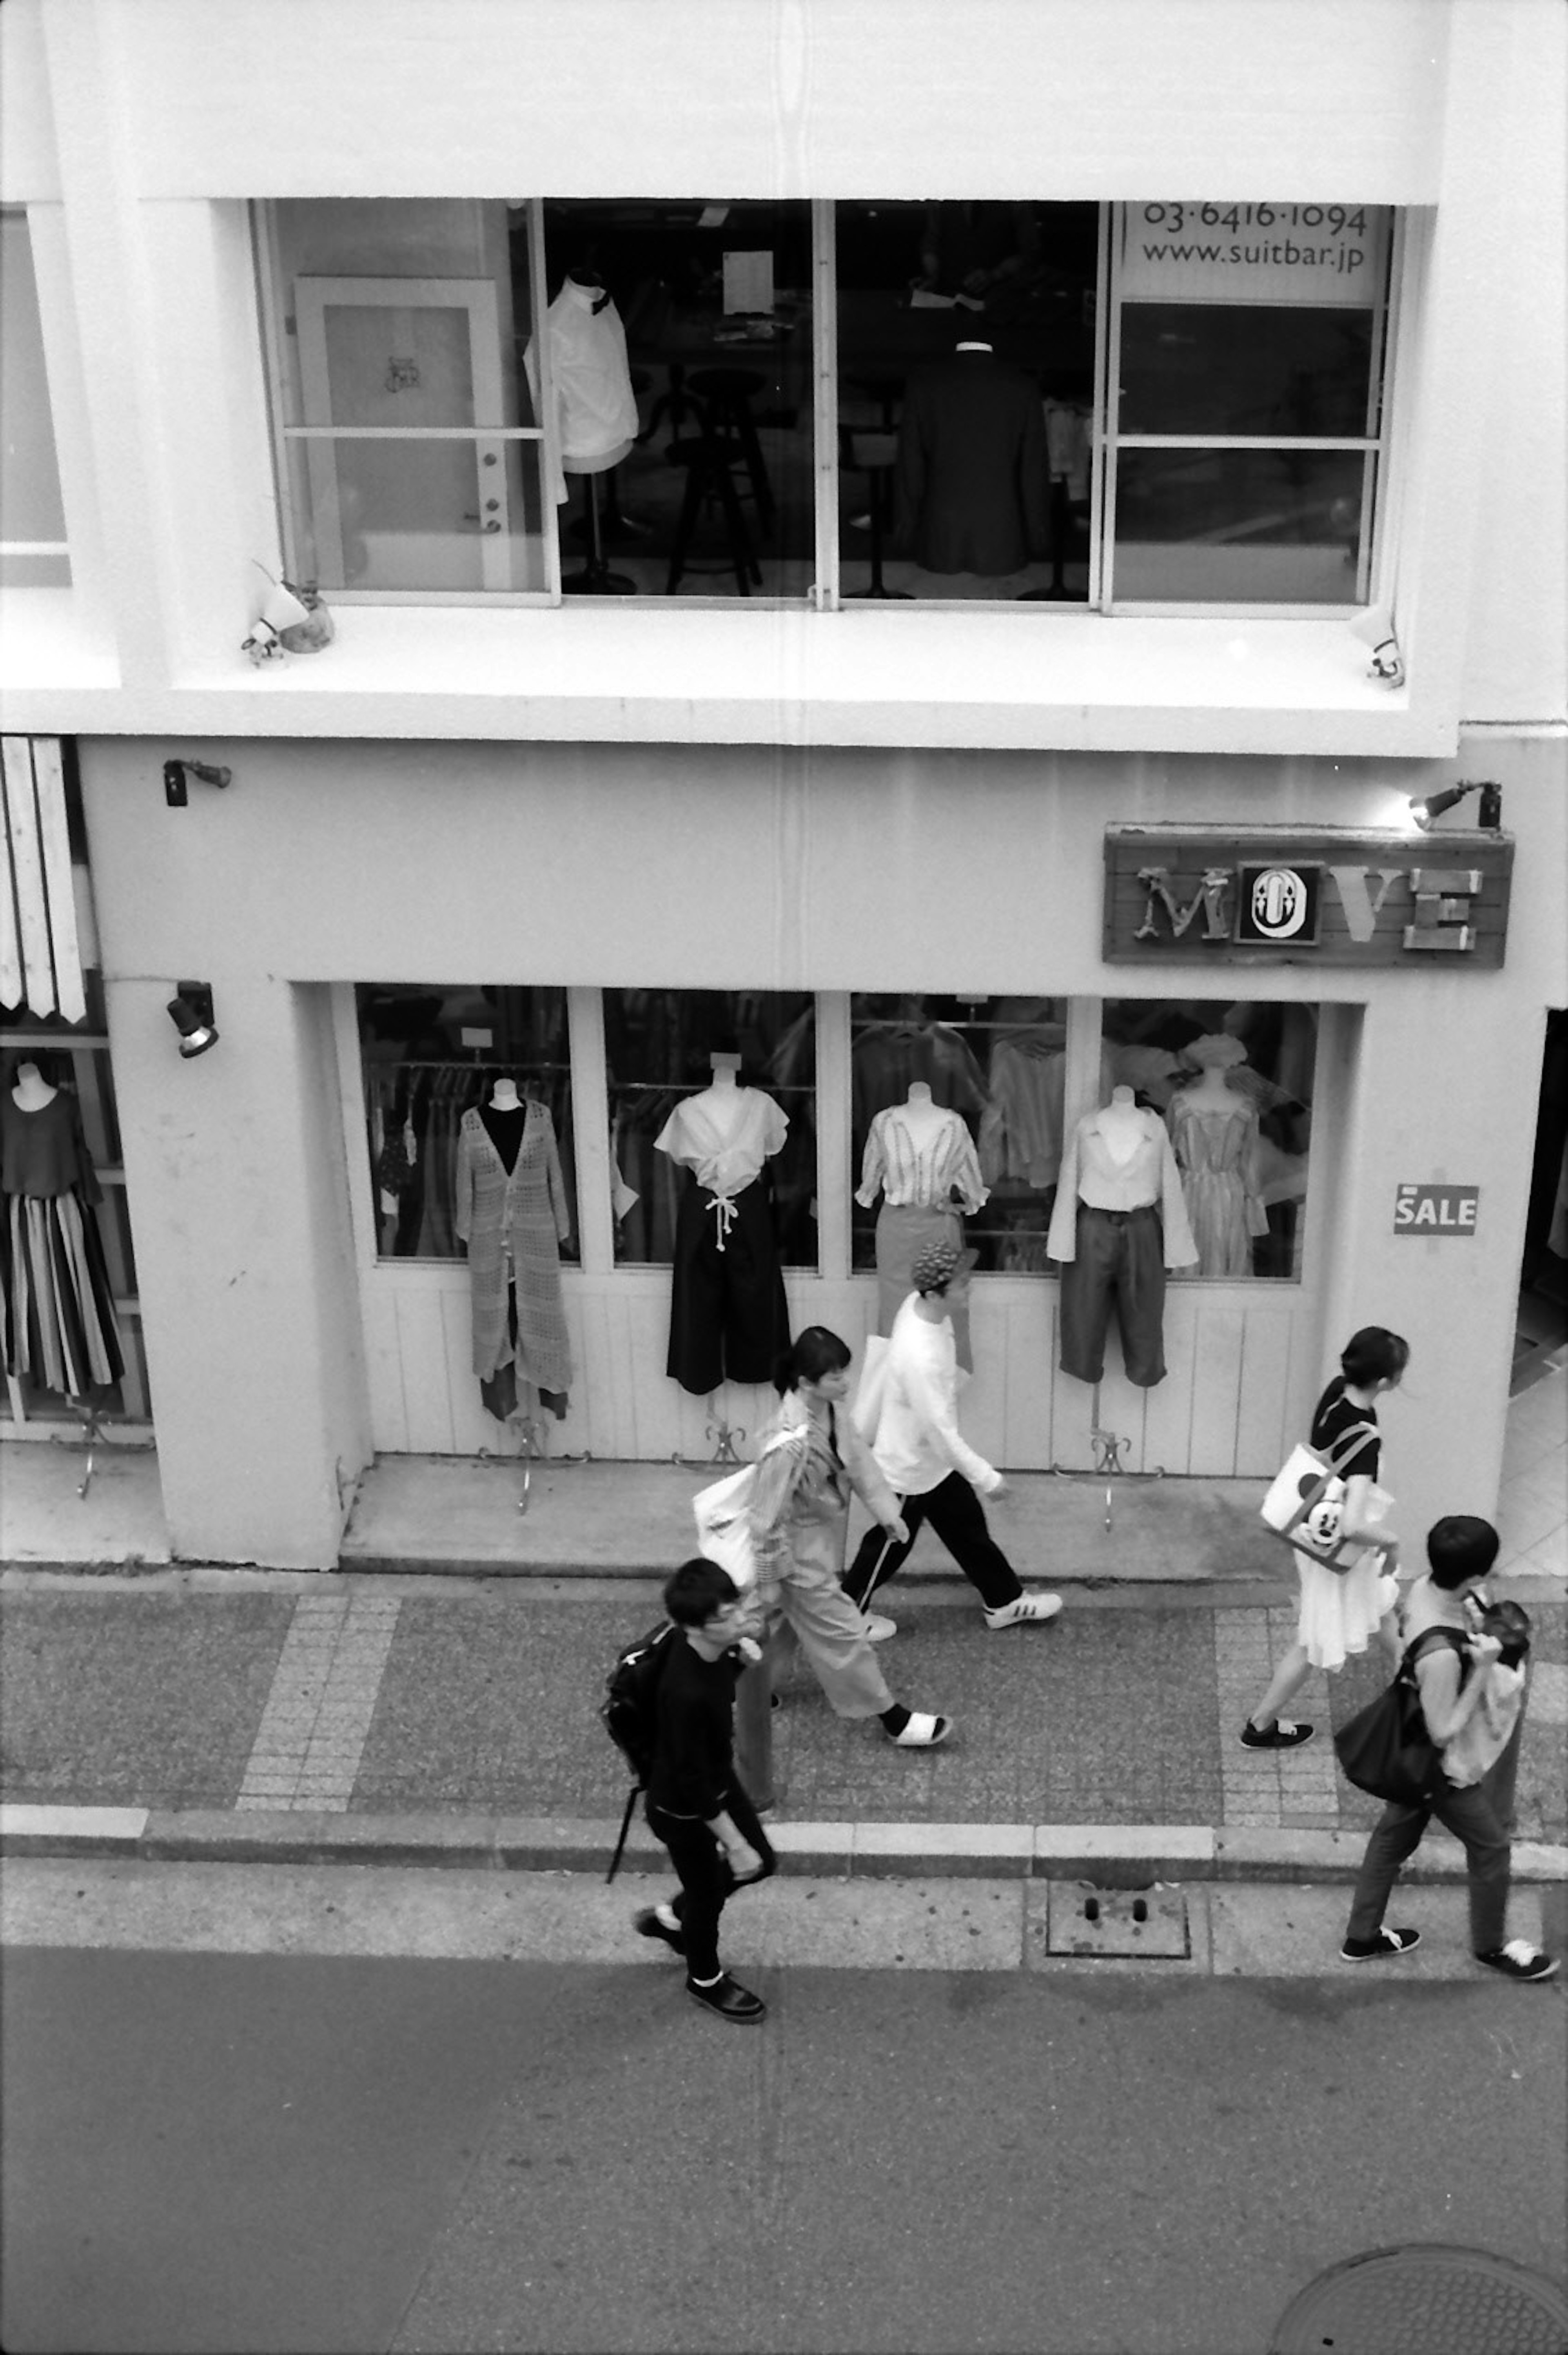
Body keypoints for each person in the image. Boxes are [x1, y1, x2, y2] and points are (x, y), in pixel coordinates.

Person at [1341, 1516, 1558, 1981]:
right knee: (1492, 1846)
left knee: (1392, 1838)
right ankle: (1491, 1948)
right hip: (1438, 1767)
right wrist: (1483, 1667)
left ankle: (1362, 1936)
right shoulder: (1441, 1655)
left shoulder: (1424, 1590)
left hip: (1410, 1753)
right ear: (1478, 1573)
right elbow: (1443, 1730)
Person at [842, 1239, 1062, 1631]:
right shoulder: (919, 1357)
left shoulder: (918, 1306)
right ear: (934, 1293)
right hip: (910, 1466)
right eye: (961, 1284)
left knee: (968, 1529)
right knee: (891, 1542)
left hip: (930, 1463)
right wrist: (987, 1476)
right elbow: (939, 1433)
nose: (969, 1288)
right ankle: (848, 1615)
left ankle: (1004, 1600)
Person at [749, 1328, 952, 1747]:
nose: (846, 1382)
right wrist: (770, 1578)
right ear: (807, 1382)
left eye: (844, 1371)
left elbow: (859, 1460)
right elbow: (766, 1519)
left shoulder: (830, 1411)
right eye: (835, 1375)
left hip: (816, 1542)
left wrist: (888, 1514)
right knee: (843, 1633)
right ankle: (893, 1717)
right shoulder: (788, 1443)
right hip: (795, 1554)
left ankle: (748, 1691)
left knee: (786, 1624)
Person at [1242, 1326, 1408, 1749]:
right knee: (1314, 1639)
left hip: (1315, 1529)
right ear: (1387, 1382)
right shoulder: (1365, 1439)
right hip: (1338, 1547)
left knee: (1386, 1608)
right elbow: (1354, 1525)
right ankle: (1260, 1723)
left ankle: (1417, 1691)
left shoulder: (1337, 1393)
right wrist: (1390, 1541)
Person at [635, 1556, 777, 2024]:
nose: (741, 1619)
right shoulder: (687, 1695)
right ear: (695, 1627)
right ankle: (705, 1979)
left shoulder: (698, 1646)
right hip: (683, 1808)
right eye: (727, 1617)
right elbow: (695, 1786)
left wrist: (738, 1658)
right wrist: (733, 1844)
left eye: (737, 1607)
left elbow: (716, 1687)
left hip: (712, 1778)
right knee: (713, 1893)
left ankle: (674, 1917)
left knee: (761, 1863)